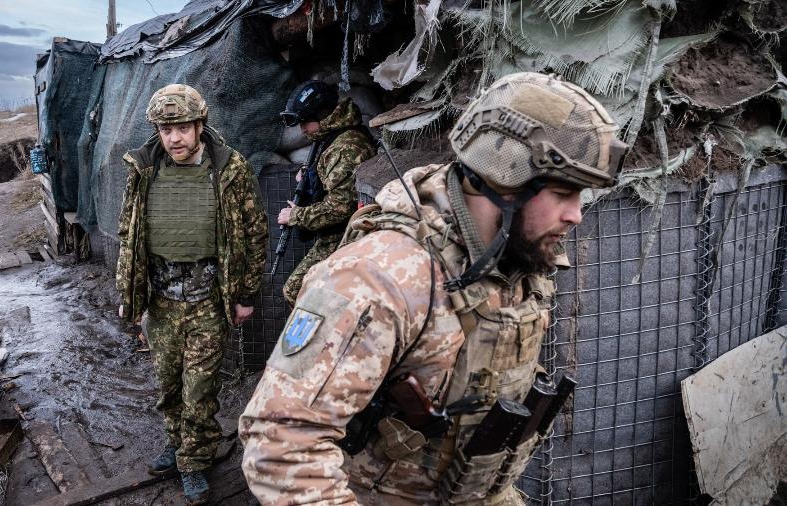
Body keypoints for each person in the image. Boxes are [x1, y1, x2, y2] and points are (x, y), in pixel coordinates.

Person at [239, 72, 627, 505]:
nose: (576, 215)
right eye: (562, 193)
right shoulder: (379, 277)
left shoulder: (515, 255)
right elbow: (281, 444)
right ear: (505, 180)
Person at [116, 84, 267, 504]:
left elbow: (256, 234)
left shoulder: (231, 169)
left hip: (208, 300)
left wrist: (247, 293)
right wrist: (129, 294)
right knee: (167, 384)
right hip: (161, 301)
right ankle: (177, 442)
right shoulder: (144, 169)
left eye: (182, 127)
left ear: (200, 125)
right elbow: (128, 231)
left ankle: (196, 461)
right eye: (166, 129)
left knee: (199, 387)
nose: (174, 138)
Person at [276, 80, 376, 306]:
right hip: (339, 233)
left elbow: (339, 208)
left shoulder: (345, 147)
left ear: (321, 116)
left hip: (347, 235)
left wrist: (297, 216)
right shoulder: (330, 139)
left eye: (305, 122)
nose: (302, 129)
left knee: (297, 290)